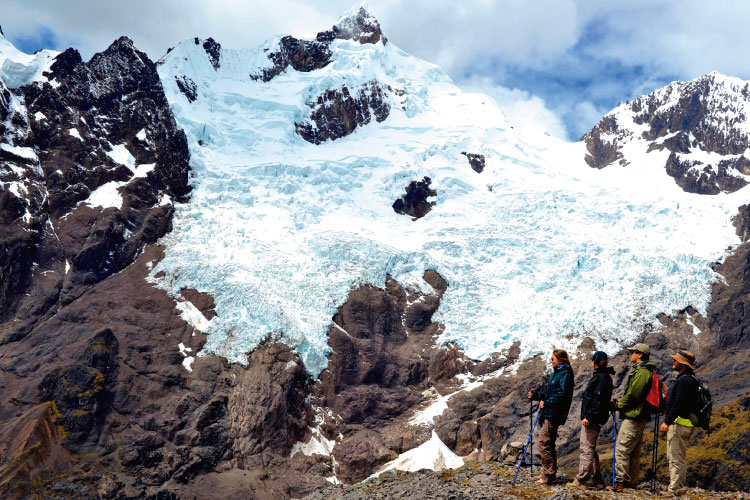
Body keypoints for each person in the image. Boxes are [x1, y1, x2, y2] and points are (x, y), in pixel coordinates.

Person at [610, 343, 656, 492]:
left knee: (622, 448)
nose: (630, 355)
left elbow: (633, 395)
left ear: (640, 355)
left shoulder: (642, 373)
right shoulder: (644, 371)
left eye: (633, 352)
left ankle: (620, 482)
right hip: (639, 416)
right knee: (634, 451)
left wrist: (619, 405)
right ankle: (631, 482)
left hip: (634, 416)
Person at [528, 349, 575, 485]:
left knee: (543, 443)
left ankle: (548, 475)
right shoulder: (558, 373)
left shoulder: (565, 374)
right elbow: (550, 393)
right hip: (549, 412)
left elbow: (562, 396)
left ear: (560, 360)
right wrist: (537, 396)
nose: (551, 361)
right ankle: (549, 474)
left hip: (553, 413)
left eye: (553, 359)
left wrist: (547, 402)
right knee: (548, 443)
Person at [568, 351, 614, 489]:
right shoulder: (603, 377)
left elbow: (597, 400)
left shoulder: (601, 378)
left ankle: (582, 478)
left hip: (592, 418)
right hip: (596, 417)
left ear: (596, 361)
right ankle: (596, 478)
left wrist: (589, 416)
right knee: (590, 448)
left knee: (586, 448)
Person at [659, 350, 699, 497]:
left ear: (682, 364)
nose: (673, 362)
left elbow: (678, 403)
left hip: (679, 424)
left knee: (675, 457)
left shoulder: (684, 381)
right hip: (684, 423)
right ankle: (676, 487)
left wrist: (667, 421)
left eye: (676, 360)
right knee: (677, 456)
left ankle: (675, 489)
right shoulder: (690, 379)